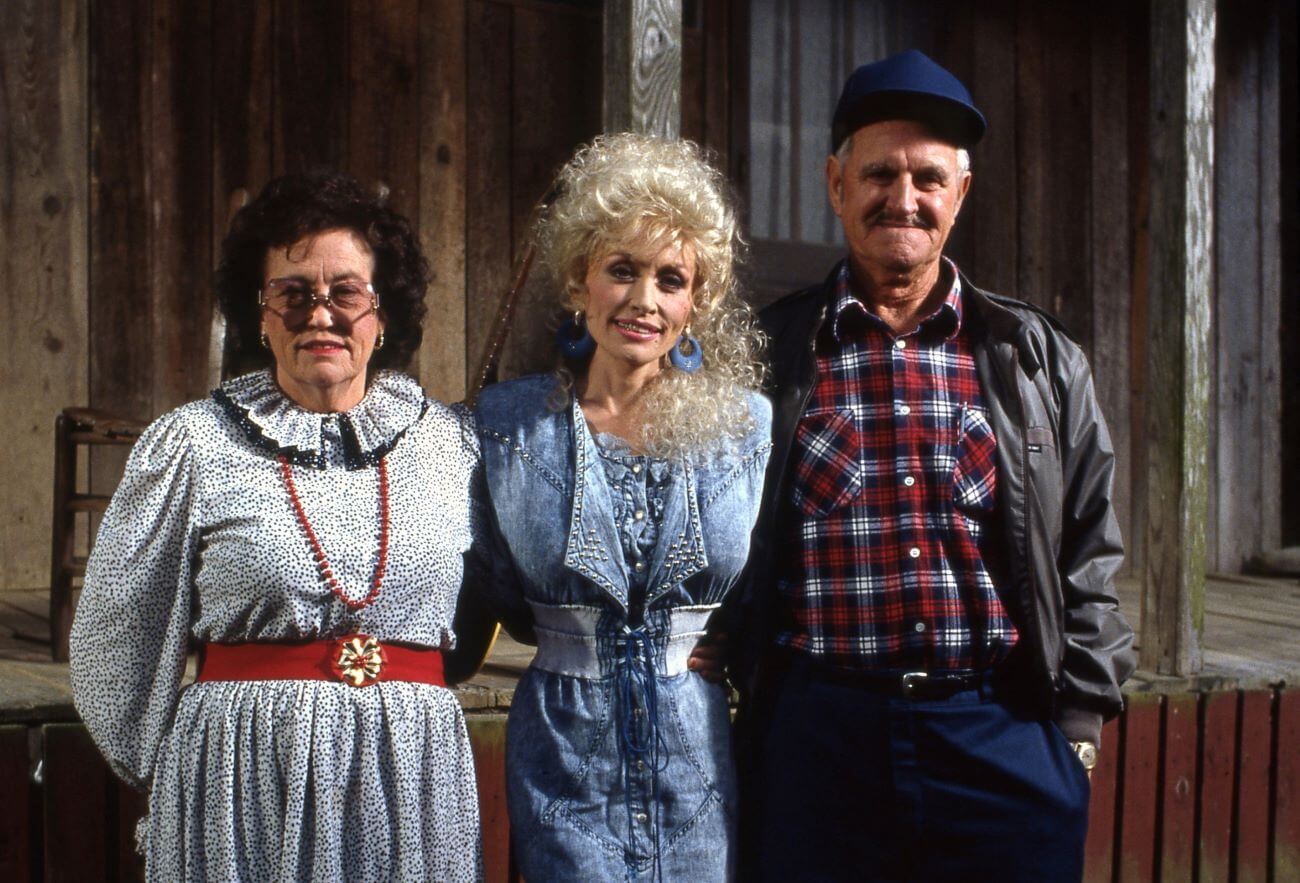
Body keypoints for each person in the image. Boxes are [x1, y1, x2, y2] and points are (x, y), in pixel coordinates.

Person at [726, 50, 1136, 881]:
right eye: (879, 174)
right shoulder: (767, 354)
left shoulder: (1035, 357)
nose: (902, 199)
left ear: (961, 194)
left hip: (1001, 732)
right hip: (817, 740)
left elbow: (1091, 549)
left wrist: (1079, 729)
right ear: (836, 184)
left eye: (927, 178)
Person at [70, 171, 483, 881]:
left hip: (412, 776)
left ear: (382, 314)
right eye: (293, 294)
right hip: (242, 773)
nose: (319, 315)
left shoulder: (452, 445)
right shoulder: (193, 445)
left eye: (345, 293)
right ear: (258, 316)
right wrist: (185, 768)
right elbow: (117, 635)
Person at [473, 133, 771, 881]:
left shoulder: (746, 428)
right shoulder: (507, 427)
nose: (645, 300)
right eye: (621, 270)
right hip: (563, 759)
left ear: (694, 302)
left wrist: (732, 638)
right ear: (579, 282)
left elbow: (775, 576)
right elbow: (487, 585)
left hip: (697, 761)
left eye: (671, 278)